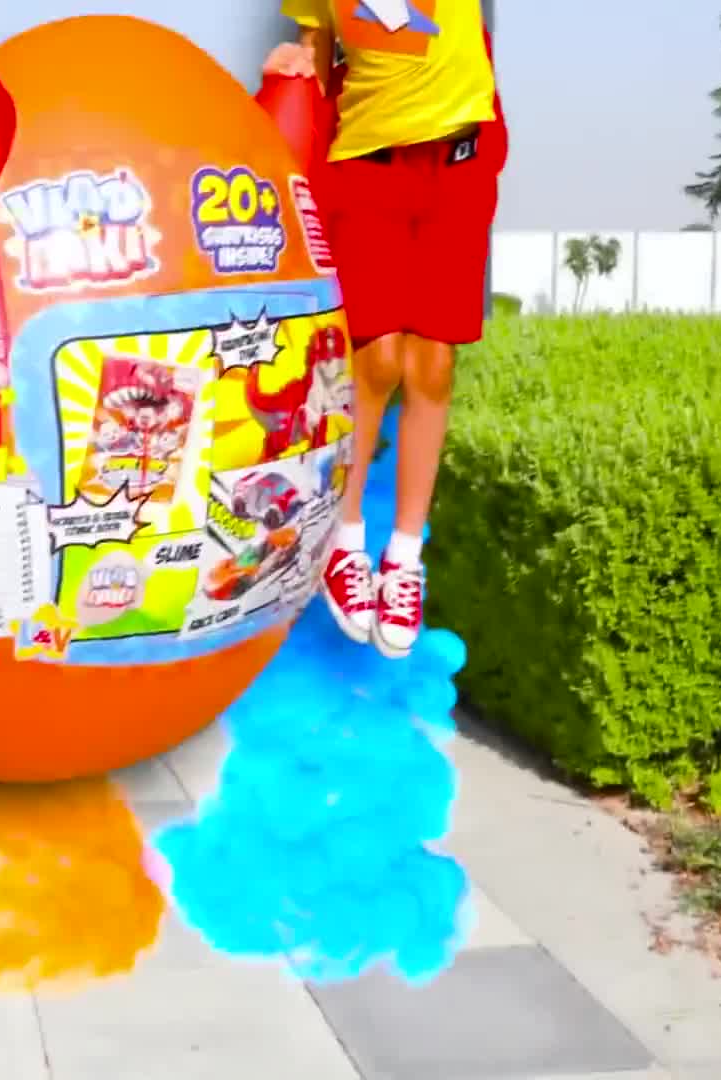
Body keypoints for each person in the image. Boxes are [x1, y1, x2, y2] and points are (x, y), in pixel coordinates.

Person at [263, 0, 506, 659]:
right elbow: (315, 53)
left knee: (434, 366)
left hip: (457, 164)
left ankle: (403, 558)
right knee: (373, 361)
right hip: (368, 166)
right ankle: (343, 543)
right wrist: (291, 72)